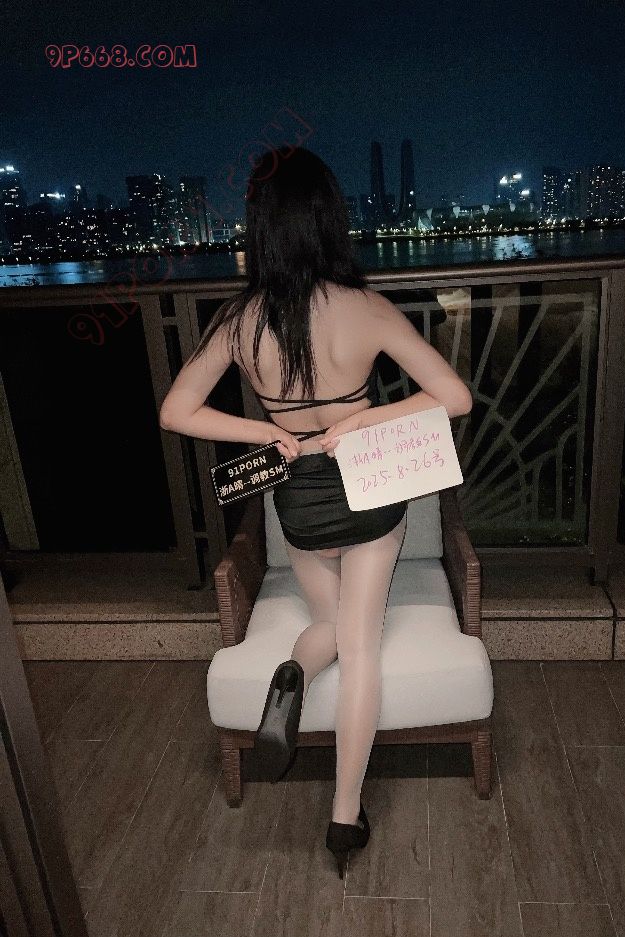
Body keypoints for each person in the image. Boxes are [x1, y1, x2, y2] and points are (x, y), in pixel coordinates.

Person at [158, 146, 472, 877]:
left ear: (261, 227)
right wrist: (363, 418)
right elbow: (453, 397)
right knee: (360, 647)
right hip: (367, 492)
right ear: (328, 219)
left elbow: (176, 410)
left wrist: (265, 432)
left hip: (297, 499)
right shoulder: (367, 308)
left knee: (329, 621)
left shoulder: (240, 320)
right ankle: (343, 817)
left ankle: (292, 674)